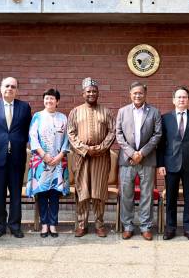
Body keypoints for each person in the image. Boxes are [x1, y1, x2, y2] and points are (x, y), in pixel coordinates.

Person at [67, 77, 116, 238]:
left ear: (98, 93)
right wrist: (85, 149)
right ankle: (82, 225)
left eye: (94, 91)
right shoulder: (75, 111)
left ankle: (99, 224)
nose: (91, 94)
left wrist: (100, 148)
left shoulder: (106, 111)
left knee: (98, 192)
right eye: (88, 91)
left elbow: (112, 132)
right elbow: (71, 133)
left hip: (101, 158)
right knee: (82, 191)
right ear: (83, 93)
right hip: (81, 158)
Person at [156, 86, 189, 241]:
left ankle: (188, 228)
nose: (181, 99)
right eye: (179, 97)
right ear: (173, 100)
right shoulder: (165, 118)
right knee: (170, 197)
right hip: (170, 164)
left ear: (188, 100)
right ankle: (170, 228)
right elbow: (161, 143)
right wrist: (160, 164)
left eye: (184, 97)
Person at [0, 77, 32, 238]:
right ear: (1, 88)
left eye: (13, 86)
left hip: (17, 157)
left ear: (17, 90)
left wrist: (20, 143)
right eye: (7, 86)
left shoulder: (24, 107)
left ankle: (15, 225)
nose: (10, 89)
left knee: (16, 193)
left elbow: (28, 130)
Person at [116, 81, 162, 241]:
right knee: (126, 194)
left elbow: (157, 134)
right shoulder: (122, 112)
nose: (137, 95)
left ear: (145, 94)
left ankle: (145, 226)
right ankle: (127, 226)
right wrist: (131, 153)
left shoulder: (154, 112)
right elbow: (119, 134)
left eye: (140, 93)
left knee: (147, 195)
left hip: (147, 159)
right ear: (130, 94)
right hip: (127, 160)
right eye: (135, 93)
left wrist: (142, 152)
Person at [26, 89, 70, 238]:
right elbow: (33, 137)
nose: (49, 101)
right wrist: (43, 155)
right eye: (46, 99)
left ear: (57, 101)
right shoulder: (37, 117)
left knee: (54, 194)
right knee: (43, 193)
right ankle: (44, 224)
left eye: (52, 99)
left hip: (58, 162)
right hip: (41, 162)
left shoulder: (63, 118)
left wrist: (60, 156)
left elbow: (67, 139)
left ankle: (53, 224)